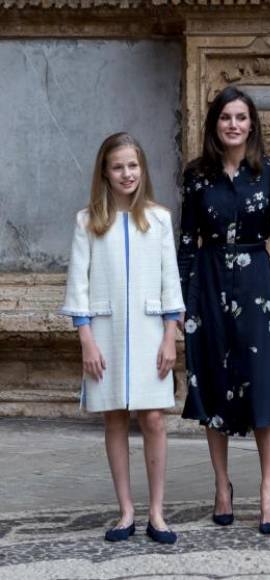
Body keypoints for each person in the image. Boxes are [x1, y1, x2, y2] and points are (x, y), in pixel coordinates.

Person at [177, 86, 270, 534]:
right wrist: (181, 297)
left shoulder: (269, 171)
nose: (234, 124)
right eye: (226, 117)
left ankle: (268, 489)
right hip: (208, 283)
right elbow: (187, 240)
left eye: (241, 117)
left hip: (255, 282)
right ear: (215, 124)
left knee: (265, 383)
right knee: (212, 380)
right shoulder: (197, 175)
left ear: (252, 124)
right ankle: (222, 486)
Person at [60, 132, 184, 544]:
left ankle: (157, 512)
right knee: (114, 416)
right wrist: (87, 341)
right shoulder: (88, 222)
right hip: (106, 333)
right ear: (105, 172)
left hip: (152, 333)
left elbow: (171, 282)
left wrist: (170, 337)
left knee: (152, 418)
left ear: (142, 169)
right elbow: (78, 285)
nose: (126, 173)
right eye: (118, 167)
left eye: (133, 165)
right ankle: (126, 511)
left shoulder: (160, 219)